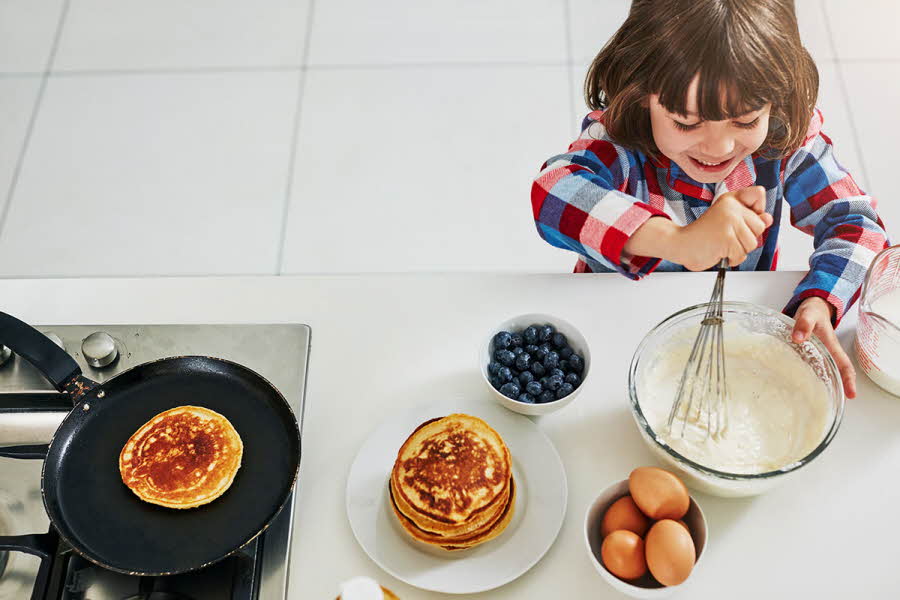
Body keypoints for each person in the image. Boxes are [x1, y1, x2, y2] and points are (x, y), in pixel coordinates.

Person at [531, 0, 888, 398]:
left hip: (730, 339)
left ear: (778, 98)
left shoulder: (786, 140)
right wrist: (675, 242)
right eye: (687, 122)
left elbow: (859, 225)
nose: (719, 146)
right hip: (612, 325)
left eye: (746, 120)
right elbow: (552, 193)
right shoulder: (619, 141)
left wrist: (821, 300)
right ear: (642, 92)